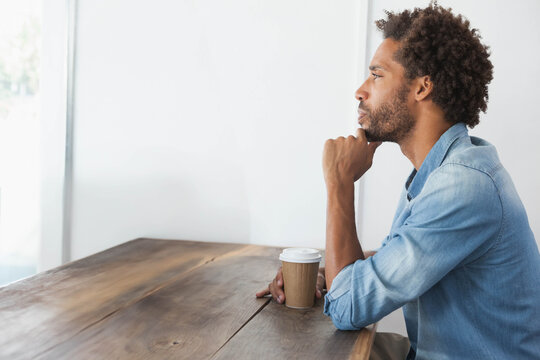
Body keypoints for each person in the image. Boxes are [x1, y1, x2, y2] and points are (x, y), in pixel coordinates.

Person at [256, 2, 540, 359]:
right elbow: (400, 257)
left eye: (376, 75)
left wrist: (339, 182)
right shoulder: (441, 173)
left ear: (422, 88)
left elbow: (347, 307)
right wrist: (330, 275)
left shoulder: (463, 186)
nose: (360, 91)